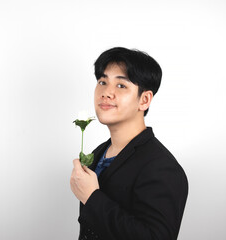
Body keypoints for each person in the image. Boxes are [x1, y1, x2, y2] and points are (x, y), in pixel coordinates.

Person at [70, 47, 188, 240]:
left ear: (144, 100)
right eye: (102, 81)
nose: (106, 92)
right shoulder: (99, 152)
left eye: (121, 85)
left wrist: (91, 198)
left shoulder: (162, 167)